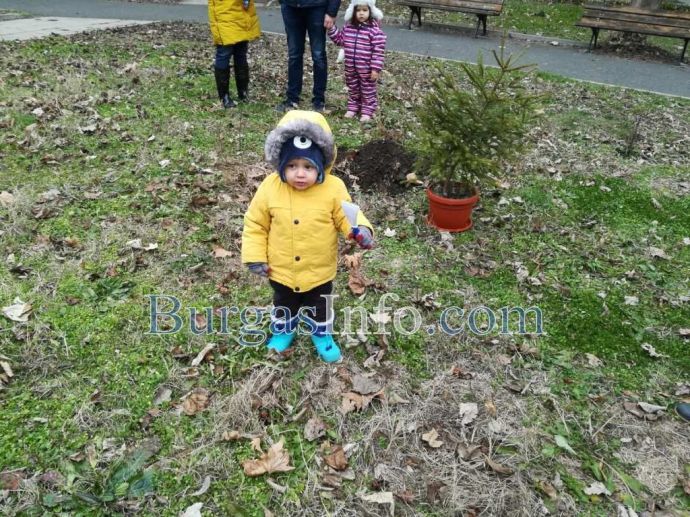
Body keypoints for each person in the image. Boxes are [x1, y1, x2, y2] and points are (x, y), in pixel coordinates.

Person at [241, 110, 374, 362]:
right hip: (281, 268)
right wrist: (254, 256)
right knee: (284, 302)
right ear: (280, 162)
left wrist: (361, 230)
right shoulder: (270, 187)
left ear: (322, 164)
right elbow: (255, 223)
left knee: (319, 304)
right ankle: (283, 330)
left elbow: (347, 215)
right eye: (292, 165)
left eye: (308, 166)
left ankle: (321, 334)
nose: (300, 173)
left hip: (318, 268)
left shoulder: (333, 188)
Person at [276, 0, 341, 113]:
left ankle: (319, 100)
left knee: (318, 55)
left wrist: (331, 12)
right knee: (294, 55)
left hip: (317, 7)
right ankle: (292, 98)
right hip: (290, 7)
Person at [327, 0, 386, 122]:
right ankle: (353, 107)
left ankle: (367, 110)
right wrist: (332, 28)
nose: (361, 13)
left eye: (365, 10)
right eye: (358, 10)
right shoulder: (348, 28)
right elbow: (339, 40)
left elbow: (378, 52)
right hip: (351, 67)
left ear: (370, 11)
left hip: (366, 69)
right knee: (353, 88)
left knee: (367, 90)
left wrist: (375, 69)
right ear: (353, 12)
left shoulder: (375, 31)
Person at [209, 0, 261, 109]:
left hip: (242, 12)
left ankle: (243, 92)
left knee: (241, 52)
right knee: (224, 52)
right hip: (225, 12)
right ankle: (224, 96)